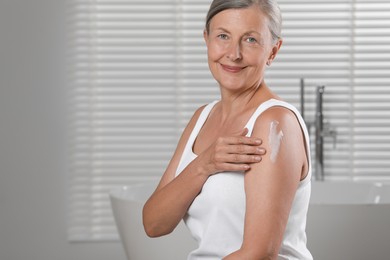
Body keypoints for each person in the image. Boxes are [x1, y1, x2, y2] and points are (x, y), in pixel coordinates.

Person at [143, 0, 313, 259]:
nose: (233, 54)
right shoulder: (202, 117)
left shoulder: (275, 122)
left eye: (251, 40)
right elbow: (154, 224)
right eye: (223, 36)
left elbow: (259, 253)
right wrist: (205, 163)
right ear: (206, 39)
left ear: (273, 51)